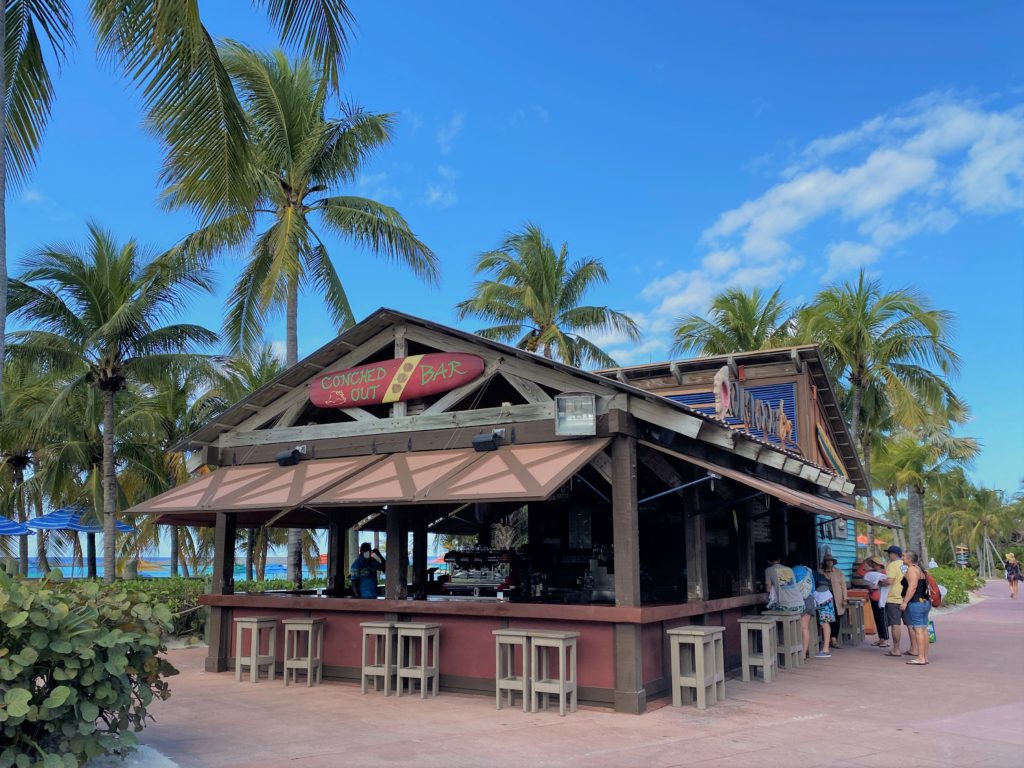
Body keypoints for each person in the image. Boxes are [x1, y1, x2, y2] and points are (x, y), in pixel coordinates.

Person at [765, 554, 809, 657]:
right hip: (800, 604)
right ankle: (798, 652)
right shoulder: (789, 569)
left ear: (768, 561)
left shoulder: (769, 570)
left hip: (786, 606)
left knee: (769, 611)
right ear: (779, 559)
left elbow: (768, 588)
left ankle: (777, 651)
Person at [901, 551, 931, 666]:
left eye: (904, 556)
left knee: (918, 630)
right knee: (923, 629)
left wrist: (905, 602)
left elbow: (913, 586)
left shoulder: (912, 570)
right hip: (925, 602)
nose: (902, 558)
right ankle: (925, 656)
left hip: (916, 603)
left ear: (909, 559)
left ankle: (921, 657)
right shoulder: (920, 569)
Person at [881, 545, 909, 657]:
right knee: (910, 625)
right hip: (906, 597)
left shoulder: (892, 565)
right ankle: (914, 648)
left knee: (895, 624)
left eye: (889, 554)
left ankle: (896, 649)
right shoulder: (907, 565)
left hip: (894, 598)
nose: (889, 556)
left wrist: (881, 582)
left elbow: (890, 581)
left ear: (893, 554)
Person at [862, 555, 890, 648]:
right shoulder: (871, 573)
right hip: (873, 597)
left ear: (879, 565)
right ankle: (881, 638)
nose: (873, 566)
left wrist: (876, 584)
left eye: (875, 564)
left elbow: (885, 583)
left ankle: (886, 639)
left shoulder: (884, 573)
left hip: (881, 598)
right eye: (872, 564)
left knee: (882, 618)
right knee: (877, 619)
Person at [821, 556, 848, 648]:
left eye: (831, 560)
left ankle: (834, 639)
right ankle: (827, 639)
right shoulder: (821, 572)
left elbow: (843, 586)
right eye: (828, 560)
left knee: (837, 618)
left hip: (837, 598)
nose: (830, 562)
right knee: (827, 619)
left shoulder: (838, 572)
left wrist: (845, 599)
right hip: (825, 598)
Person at [792, 562, 816, 660]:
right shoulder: (808, 571)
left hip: (797, 600)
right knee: (804, 627)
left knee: (795, 627)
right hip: (809, 599)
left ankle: (795, 653)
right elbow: (813, 588)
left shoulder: (791, 571)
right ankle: (803, 653)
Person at [813, 571, 836, 657]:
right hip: (827, 597)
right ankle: (825, 647)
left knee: (825, 623)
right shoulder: (814, 573)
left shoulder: (809, 574)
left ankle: (826, 649)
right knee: (825, 623)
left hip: (823, 599)